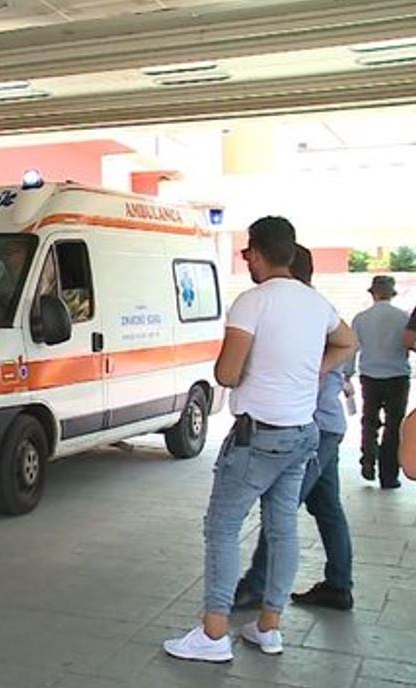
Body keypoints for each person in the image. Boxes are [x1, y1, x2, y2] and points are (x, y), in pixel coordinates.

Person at [164, 217, 355, 663]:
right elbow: (348, 342)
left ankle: (214, 634)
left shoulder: (252, 302)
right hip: (303, 434)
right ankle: (269, 628)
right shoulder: (316, 302)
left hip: (258, 438)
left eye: (247, 253)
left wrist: (253, 366)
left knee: (222, 527)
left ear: (258, 252)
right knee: (283, 527)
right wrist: (313, 371)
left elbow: (226, 374)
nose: (246, 260)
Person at [234, 245, 355, 611]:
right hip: (327, 424)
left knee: (281, 511)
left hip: (311, 426)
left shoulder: (304, 313)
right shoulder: (322, 311)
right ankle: (338, 584)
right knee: (326, 506)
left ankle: (258, 585)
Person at [349, 275, 411, 489]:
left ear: (373, 293)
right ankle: (389, 475)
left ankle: (368, 458)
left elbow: (352, 348)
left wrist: (347, 373)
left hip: (370, 375)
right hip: (397, 375)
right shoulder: (403, 317)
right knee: (394, 425)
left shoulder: (360, 318)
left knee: (369, 420)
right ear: (392, 293)